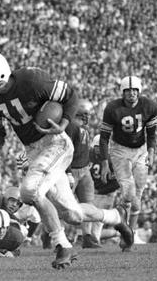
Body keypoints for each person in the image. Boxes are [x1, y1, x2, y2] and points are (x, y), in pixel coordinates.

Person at [0, 51, 133, 269]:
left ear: (0, 75)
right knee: (73, 214)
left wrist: (65, 123)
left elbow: (70, 96)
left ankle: (62, 246)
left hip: (55, 142)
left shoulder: (31, 80)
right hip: (33, 150)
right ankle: (116, 217)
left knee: (29, 191)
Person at [100, 75, 157, 250]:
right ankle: (122, 223)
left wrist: (152, 152)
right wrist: (104, 163)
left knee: (137, 199)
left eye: (134, 91)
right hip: (119, 151)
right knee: (129, 192)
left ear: (139, 91)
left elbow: (152, 134)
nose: (131, 94)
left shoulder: (149, 105)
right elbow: (104, 138)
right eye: (128, 91)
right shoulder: (112, 108)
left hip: (141, 151)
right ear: (122, 92)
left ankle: (129, 233)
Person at [65, 99, 99, 248]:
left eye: (88, 113)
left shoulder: (84, 127)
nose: (87, 116)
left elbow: (83, 149)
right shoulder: (71, 126)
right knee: (63, 205)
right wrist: (68, 172)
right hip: (72, 170)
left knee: (88, 204)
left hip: (85, 170)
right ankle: (54, 237)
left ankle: (87, 237)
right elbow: (65, 151)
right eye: (84, 113)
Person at [89, 135, 120, 245]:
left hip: (106, 194)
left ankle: (95, 239)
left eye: (100, 147)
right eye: (96, 147)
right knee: (88, 217)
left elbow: (116, 183)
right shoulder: (90, 155)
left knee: (99, 220)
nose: (97, 150)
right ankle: (89, 239)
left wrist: (99, 191)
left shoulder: (113, 160)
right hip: (93, 192)